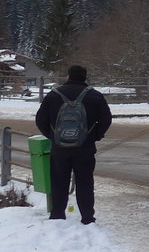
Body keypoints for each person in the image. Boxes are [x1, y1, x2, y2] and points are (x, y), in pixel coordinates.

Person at [35, 65, 113, 224]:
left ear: (68, 76)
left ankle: (57, 215)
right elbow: (106, 119)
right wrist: (95, 136)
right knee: (85, 182)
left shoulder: (53, 95)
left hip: (59, 149)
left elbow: (40, 119)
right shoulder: (94, 96)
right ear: (85, 77)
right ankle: (87, 217)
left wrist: (53, 137)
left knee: (58, 181)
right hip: (85, 148)